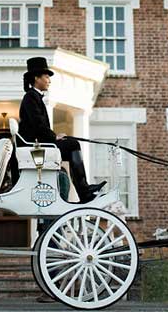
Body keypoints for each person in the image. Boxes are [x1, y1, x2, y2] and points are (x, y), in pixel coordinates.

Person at [18, 57, 104, 203]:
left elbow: (40, 126)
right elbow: (38, 125)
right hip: (36, 148)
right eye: (46, 76)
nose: (49, 80)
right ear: (36, 78)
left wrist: (54, 136)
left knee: (71, 143)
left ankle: (84, 190)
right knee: (73, 145)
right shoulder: (30, 98)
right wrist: (54, 137)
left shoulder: (34, 97)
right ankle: (84, 191)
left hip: (39, 145)